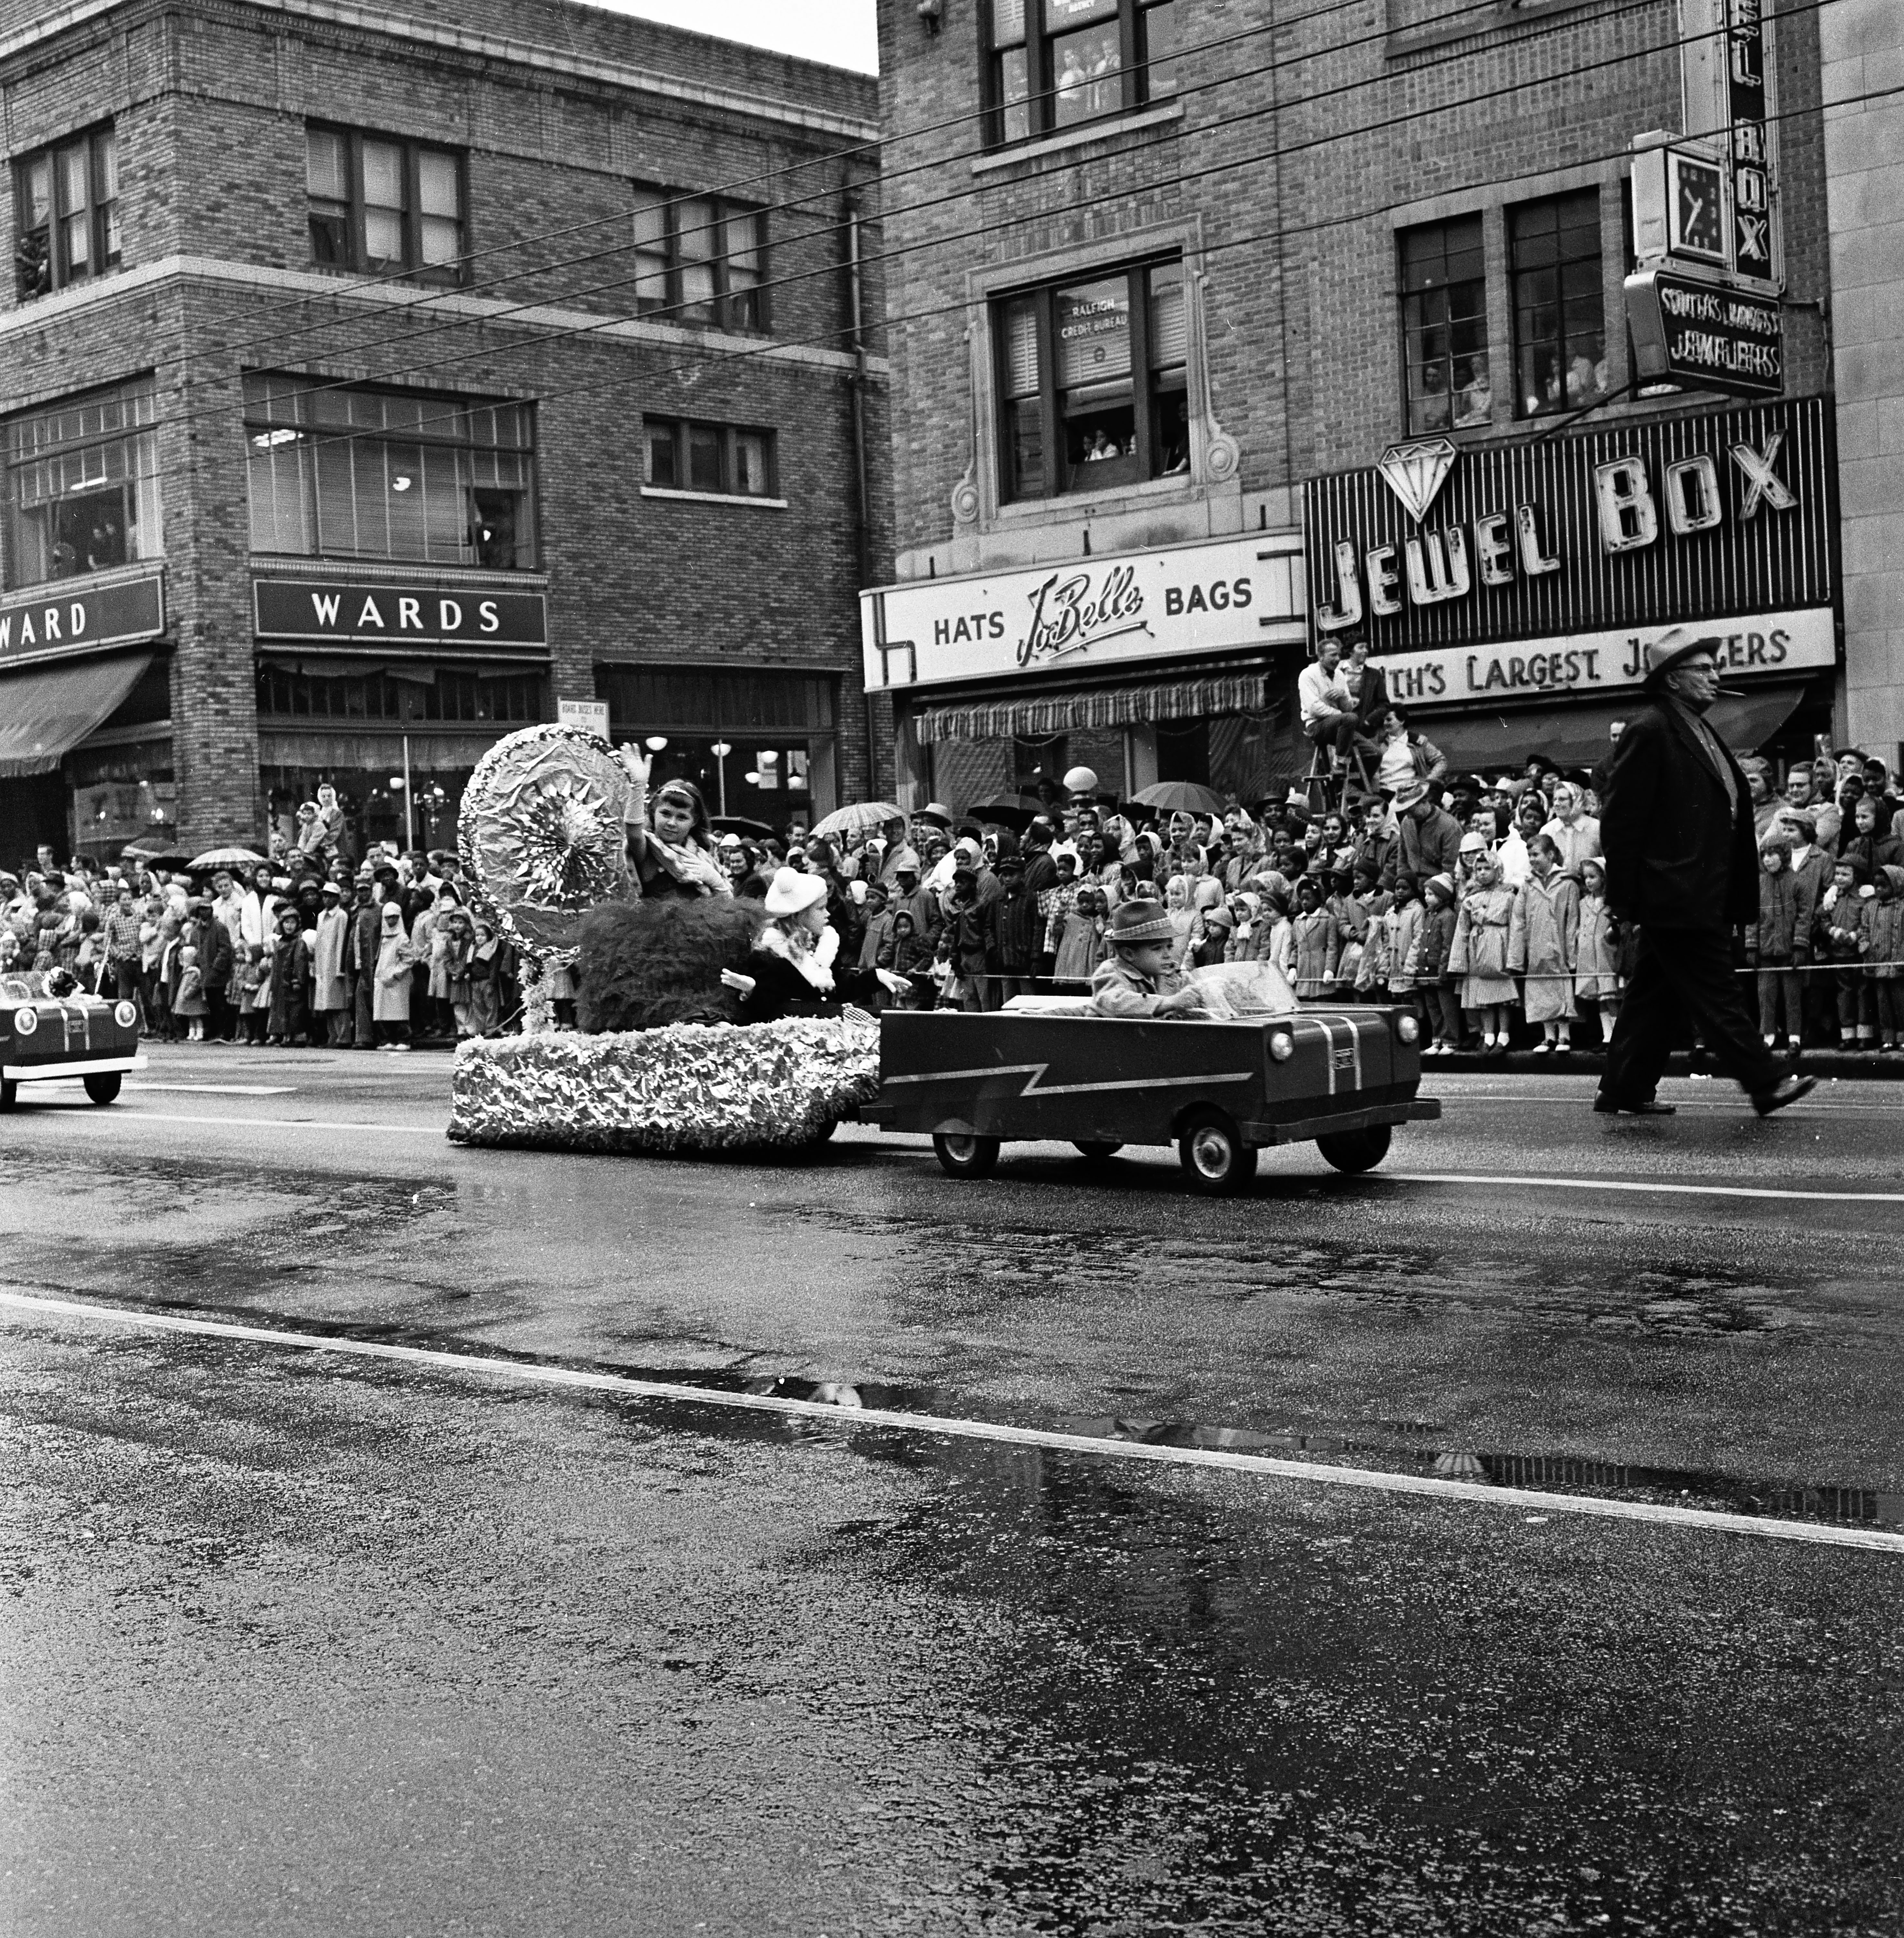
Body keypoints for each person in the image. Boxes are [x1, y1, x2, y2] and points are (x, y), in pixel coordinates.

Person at [1597, 631, 1813, 1116]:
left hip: (1698, 889)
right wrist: (1624, 897)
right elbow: (1622, 819)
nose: (1716, 677)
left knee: (1655, 993)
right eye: (1704, 670)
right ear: (1674, 680)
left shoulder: (1695, 726)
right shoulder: (1651, 728)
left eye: (1715, 669)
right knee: (1716, 989)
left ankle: (1623, 1088)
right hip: (1674, 890)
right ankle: (1765, 1081)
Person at [617, 746, 731, 900]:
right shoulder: (650, 849)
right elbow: (634, 834)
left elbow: (728, 908)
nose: (672, 823)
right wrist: (638, 788)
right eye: (665, 814)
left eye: (682, 818)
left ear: (694, 821)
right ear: (653, 813)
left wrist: (717, 883)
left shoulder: (704, 855)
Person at [1449, 837, 1523, 1054]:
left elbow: (1517, 927)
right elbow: (1462, 930)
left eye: (1487, 868)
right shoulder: (1471, 898)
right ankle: (1488, 1036)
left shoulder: (1509, 896)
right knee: (1483, 1000)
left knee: (1503, 998)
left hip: (1500, 946)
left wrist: (1514, 958)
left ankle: (1504, 1036)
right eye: (1478, 869)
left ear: (1498, 870)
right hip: (1477, 947)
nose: (1482, 873)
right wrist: (1458, 962)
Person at [1089, 899, 1203, 1017]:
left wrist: (1203, 993)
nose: (1168, 954)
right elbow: (1114, 1004)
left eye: (1169, 946)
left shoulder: (1171, 973)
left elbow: (1194, 993)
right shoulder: (1112, 972)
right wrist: (1170, 1002)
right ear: (1129, 955)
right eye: (1157, 948)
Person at [1750, 837, 1810, 1057]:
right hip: (1766, 951)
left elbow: (1805, 917)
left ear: (1784, 856)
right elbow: (1752, 918)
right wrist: (1752, 947)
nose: (1767, 860)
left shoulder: (1798, 882)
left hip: (1789, 951)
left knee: (1792, 996)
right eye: (1764, 855)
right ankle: (1768, 1036)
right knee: (1765, 995)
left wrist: (1800, 947)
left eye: (1772, 854)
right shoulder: (1758, 884)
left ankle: (1794, 1037)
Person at [1519, 834, 1578, 1055]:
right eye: (1530, 855)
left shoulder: (1567, 884)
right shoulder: (1528, 885)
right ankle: (1548, 1036)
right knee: (1541, 989)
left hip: (1559, 946)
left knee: (1561, 989)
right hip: (1536, 946)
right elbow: (1519, 920)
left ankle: (1565, 1034)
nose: (1532, 859)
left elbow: (1572, 920)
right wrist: (1518, 955)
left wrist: (1572, 954)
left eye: (1536, 854)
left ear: (1551, 855)